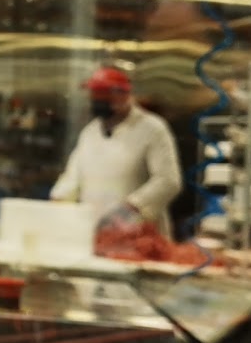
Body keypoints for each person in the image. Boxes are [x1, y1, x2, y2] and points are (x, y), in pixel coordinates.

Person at [50, 64, 182, 235]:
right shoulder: (90, 132)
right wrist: (58, 200)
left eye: (104, 95)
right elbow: (72, 177)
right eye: (95, 95)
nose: (98, 100)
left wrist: (131, 207)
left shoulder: (152, 128)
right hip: (94, 231)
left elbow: (168, 181)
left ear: (124, 95)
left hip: (140, 233)